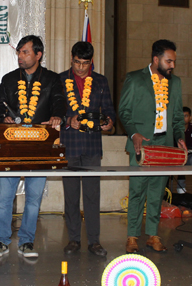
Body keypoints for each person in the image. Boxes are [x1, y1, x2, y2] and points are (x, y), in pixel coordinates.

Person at [0, 35, 67, 258]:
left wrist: (57, 116)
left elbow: (59, 101)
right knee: (4, 196)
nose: (20, 56)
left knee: (33, 198)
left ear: (38, 55)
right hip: (11, 147)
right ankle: (1, 240)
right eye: (19, 52)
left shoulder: (52, 79)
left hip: (39, 146)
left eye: (25, 52)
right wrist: (2, 116)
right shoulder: (9, 79)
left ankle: (27, 241)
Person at [119, 39, 187, 253]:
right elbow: (124, 112)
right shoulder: (135, 79)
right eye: (169, 61)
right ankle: (132, 236)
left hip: (164, 145)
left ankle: (153, 235)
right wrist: (134, 133)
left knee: (157, 192)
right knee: (137, 190)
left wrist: (180, 136)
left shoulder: (175, 83)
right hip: (141, 144)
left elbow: (177, 116)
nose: (172, 66)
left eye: (174, 61)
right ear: (156, 59)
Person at [60, 42, 116, 257]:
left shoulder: (101, 81)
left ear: (91, 61)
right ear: (71, 59)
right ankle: (74, 240)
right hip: (70, 145)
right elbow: (53, 110)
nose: (81, 68)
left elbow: (109, 110)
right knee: (71, 196)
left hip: (92, 145)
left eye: (85, 63)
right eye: (77, 62)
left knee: (92, 196)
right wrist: (68, 119)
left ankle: (94, 241)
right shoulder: (60, 80)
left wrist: (109, 122)